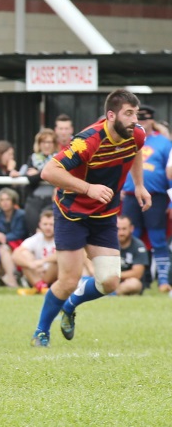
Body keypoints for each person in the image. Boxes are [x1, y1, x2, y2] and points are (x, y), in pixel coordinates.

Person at [31, 89, 150, 347]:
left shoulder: (135, 133)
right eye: (128, 113)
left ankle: (71, 306)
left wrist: (139, 185)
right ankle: (41, 331)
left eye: (135, 113)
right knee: (68, 280)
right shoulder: (88, 141)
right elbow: (49, 171)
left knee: (109, 281)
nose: (134, 119)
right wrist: (88, 188)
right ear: (111, 115)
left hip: (104, 215)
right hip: (71, 213)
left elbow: (137, 150)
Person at [121, 104, 171, 292]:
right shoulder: (127, 139)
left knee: (157, 238)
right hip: (131, 196)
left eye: (145, 119)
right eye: (138, 118)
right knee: (129, 237)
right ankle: (139, 280)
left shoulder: (164, 143)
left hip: (156, 196)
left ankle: (164, 280)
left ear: (151, 120)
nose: (141, 122)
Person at [12, 128, 58, 235]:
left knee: (52, 232)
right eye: (43, 142)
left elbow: (55, 174)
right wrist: (45, 173)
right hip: (34, 201)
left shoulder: (59, 158)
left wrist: (38, 173)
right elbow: (31, 179)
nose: (47, 145)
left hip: (51, 200)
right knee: (34, 232)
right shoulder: (32, 158)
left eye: (50, 142)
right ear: (39, 144)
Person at [13, 209, 57, 295]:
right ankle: (41, 286)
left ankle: (40, 287)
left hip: (54, 274)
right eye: (45, 224)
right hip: (37, 272)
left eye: (51, 224)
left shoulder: (61, 238)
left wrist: (42, 261)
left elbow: (62, 255)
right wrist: (31, 264)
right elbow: (15, 254)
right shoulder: (36, 238)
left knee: (59, 260)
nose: (48, 227)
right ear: (40, 225)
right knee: (24, 254)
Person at [0, 187, 27, 288]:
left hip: (18, 244)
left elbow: (19, 233)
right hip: (3, 245)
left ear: (13, 201)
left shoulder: (21, 214)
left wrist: (4, 237)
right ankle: (12, 279)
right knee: (2, 250)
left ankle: (11, 278)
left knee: (3, 250)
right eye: (2, 200)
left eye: (7, 199)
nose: (4, 203)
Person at [113, 215, 149, 295]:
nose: (121, 233)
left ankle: (112, 293)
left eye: (124, 229)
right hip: (109, 279)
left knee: (134, 284)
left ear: (131, 228)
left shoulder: (139, 246)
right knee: (85, 270)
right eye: (118, 229)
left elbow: (137, 273)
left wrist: (113, 276)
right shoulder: (107, 243)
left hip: (127, 281)